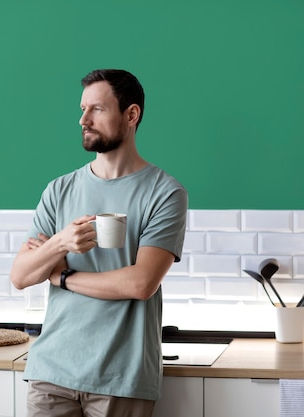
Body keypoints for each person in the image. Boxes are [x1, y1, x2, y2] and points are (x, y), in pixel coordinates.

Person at [10, 69, 188, 417]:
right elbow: (20, 276)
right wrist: (61, 242)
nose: (83, 119)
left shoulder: (165, 193)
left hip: (121, 378)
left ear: (131, 115)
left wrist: (63, 278)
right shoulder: (59, 190)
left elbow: (140, 283)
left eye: (97, 109)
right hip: (51, 372)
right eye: (82, 109)